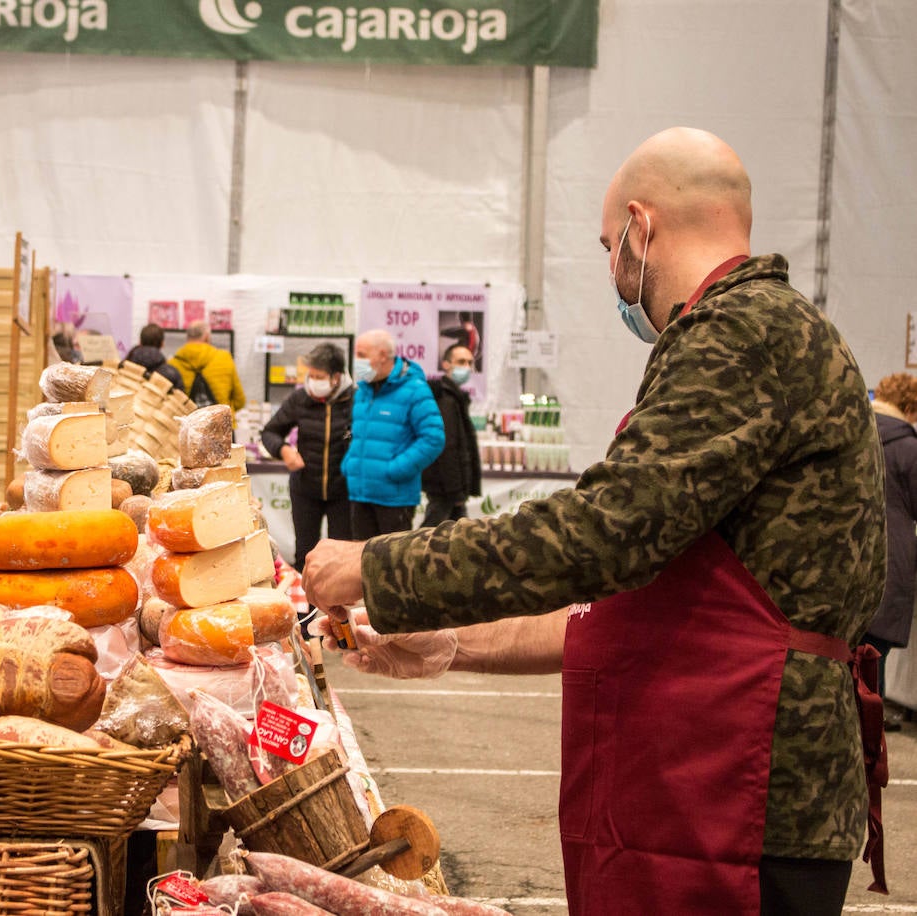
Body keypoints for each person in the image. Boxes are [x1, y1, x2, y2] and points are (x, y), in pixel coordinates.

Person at [303, 127, 887, 914]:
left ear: (641, 229)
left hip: (738, 785)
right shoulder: (747, 334)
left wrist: (379, 567)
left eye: (611, 245)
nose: (614, 271)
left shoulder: (743, 332)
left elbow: (601, 533)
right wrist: (451, 645)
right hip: (701, 770)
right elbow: (639, 605)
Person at [340, 329, 444, 538]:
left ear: (382, 356)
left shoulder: (415, 390)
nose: (356, 361)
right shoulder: (362, 392)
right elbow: (358, 435)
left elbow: (433, 438)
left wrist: (396, 469)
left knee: (390, 567)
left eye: (362, 354)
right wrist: (349, 464)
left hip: (395, 498)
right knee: (360, 564)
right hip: (360, 493)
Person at [259, 342, 354, 568]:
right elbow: (270, 431)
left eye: (319, 376)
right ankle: (307, 604)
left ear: (336, 377)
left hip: (344, 491)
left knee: (340, 557)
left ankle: (337, 603)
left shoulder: (356, 400)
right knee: (305, 554)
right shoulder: (300, 399)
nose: (313, 381)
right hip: (305, 489)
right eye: (310, 375)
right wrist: (283, 450)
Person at [867, 372, 917, 732]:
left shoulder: (855, 431)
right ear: (910, 407)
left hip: (850, 552)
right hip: (891, 556)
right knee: (875, 654)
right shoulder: (908, 447)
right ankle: (872, 721)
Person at [420, 343, 482, 527]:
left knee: (455, 532)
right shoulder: (445, 399)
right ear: (446, 364)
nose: (467, 367)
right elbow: (448, 446)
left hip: (449, 486)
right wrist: (456, 491)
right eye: (461, 361)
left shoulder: (455, 397)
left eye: (470, 362)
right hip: (445, 486)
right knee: (429, 534)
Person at [170, 320, 245, 410]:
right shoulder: (224, 358)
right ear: (206, 337)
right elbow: (239, 400)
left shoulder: (173, 363)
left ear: (187, 337)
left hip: (188, 421)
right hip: (222, 422)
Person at [121, 323, 185, 393]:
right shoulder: (172, 374)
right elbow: (180, 401)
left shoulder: (123, 367)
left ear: (140, 342)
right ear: (162, 344)